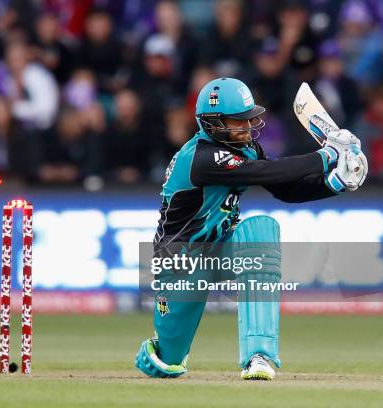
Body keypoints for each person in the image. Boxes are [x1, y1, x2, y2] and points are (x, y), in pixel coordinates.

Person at [135, 77, 368, 380]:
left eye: (248, 119)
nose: (246, 127)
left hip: (220, 249)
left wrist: (335, 183)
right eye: (238, 121)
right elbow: (264, 171)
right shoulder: (200, 158)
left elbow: (284, 189)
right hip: (180, 261)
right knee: (168, 364)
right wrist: (326, 156)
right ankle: (163, 348)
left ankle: (259, 356)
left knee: (260, 232)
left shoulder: (244, 148)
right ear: (213, 122)